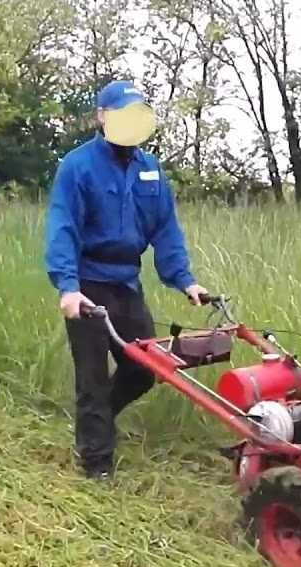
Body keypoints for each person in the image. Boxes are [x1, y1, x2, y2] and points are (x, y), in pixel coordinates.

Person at [43, 80, 209, 481]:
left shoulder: (150, 170)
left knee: (143, 370)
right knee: (92, 377)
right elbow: (62, 227)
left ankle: (96, 423)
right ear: (102, 116)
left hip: (126, 282)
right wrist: (67, 287)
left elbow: (165, 230)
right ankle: (96, 465)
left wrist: (185, 281)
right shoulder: (77, 166)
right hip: (87, 283)